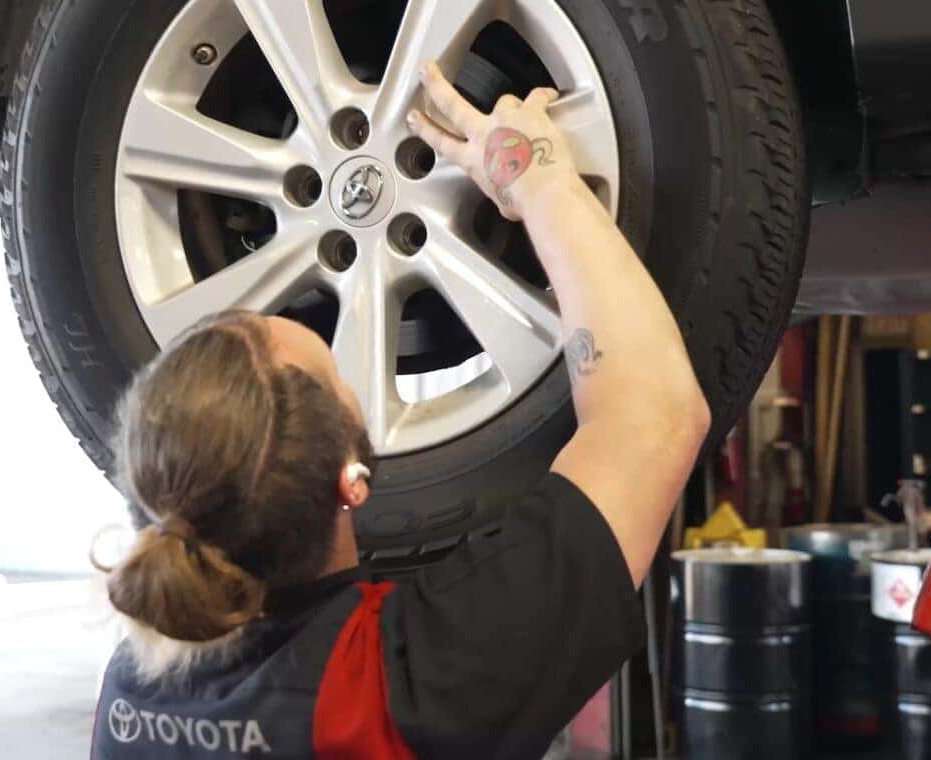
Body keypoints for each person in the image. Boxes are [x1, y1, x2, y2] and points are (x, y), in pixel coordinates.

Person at [91, 61, 710, 759]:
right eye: (337, 371)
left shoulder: (133, 694)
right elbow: (652, 414)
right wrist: (533, 173)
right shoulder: (410, 690)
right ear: (350, 481)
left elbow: (649, 418)